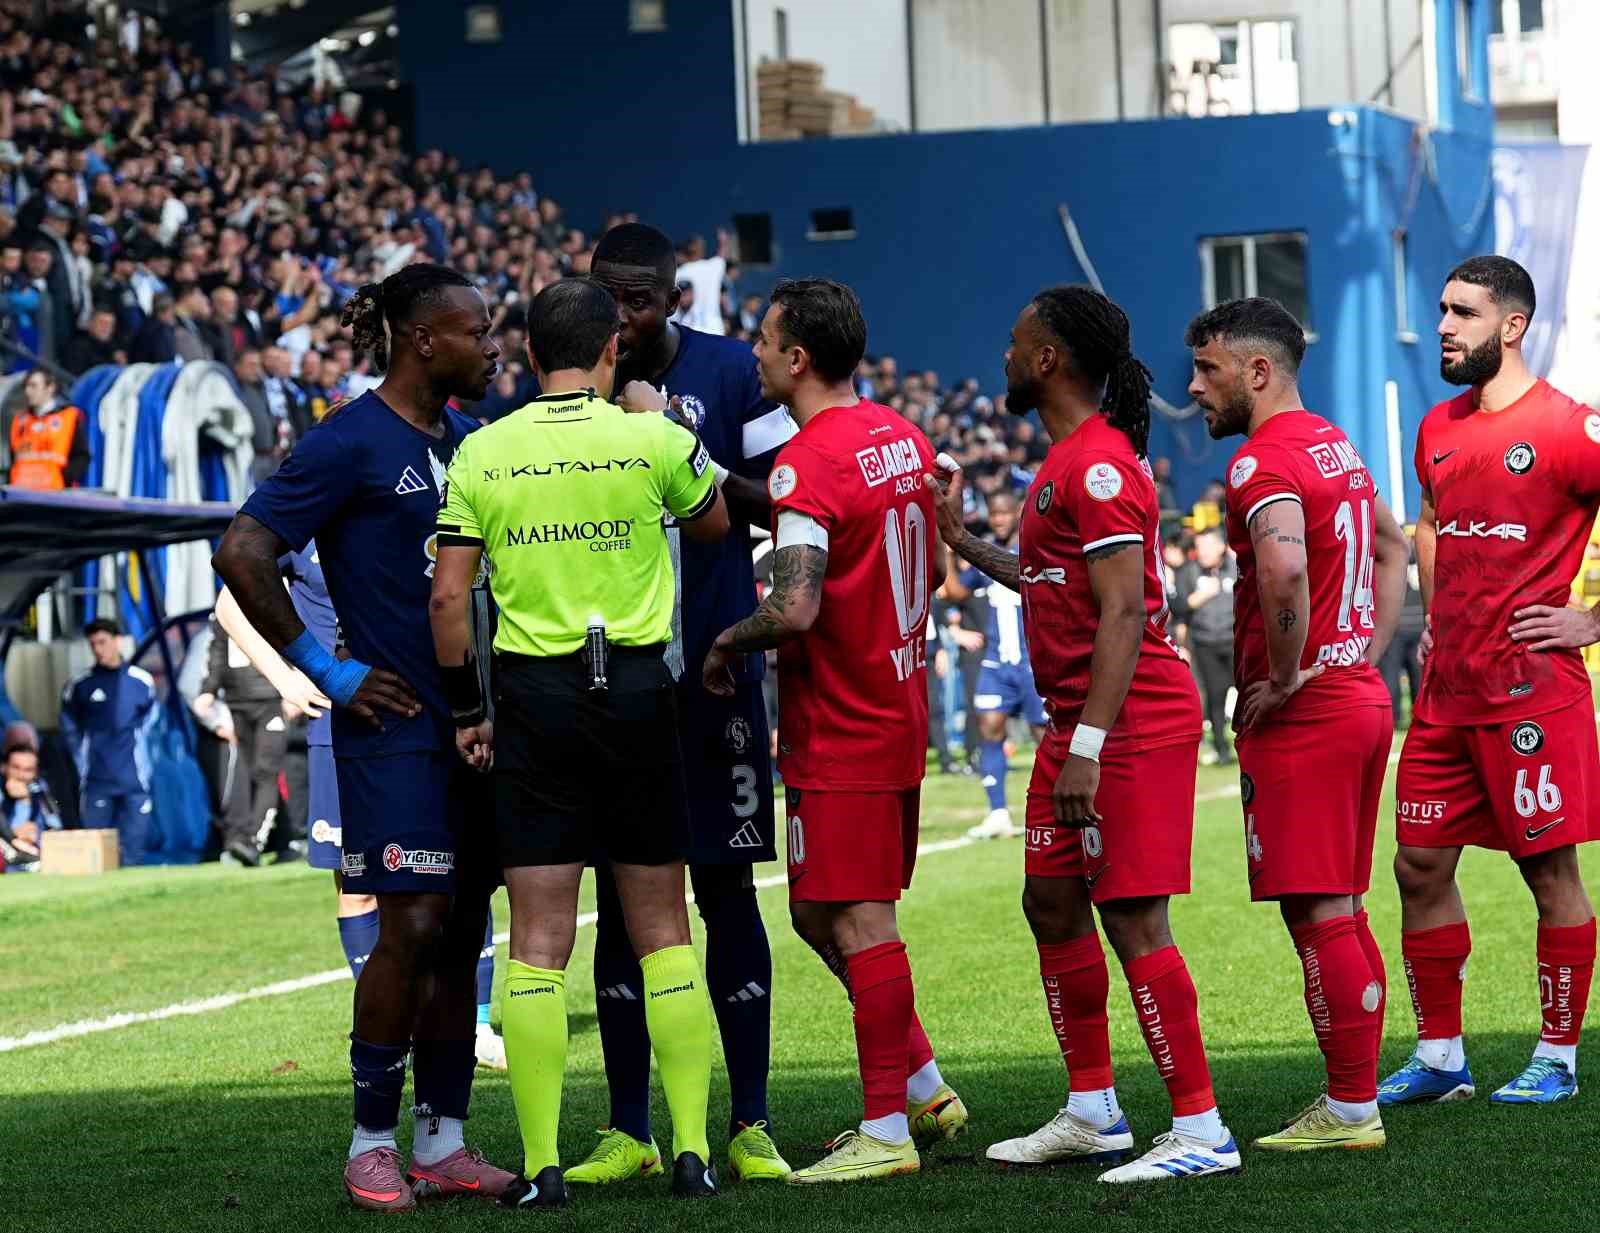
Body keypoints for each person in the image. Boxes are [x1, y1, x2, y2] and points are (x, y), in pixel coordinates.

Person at [212, 263, 516, 1210]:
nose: (493, 344)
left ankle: (444, 1140)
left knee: (465, 928)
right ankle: (370, 1143)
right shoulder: (347, 440)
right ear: (426, 338)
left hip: (475, 728)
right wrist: (329, 671)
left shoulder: (468, 442)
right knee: (413, 924)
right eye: (477, 329)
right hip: (391, 728)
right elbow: (244, 550)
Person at [430, 277, 731, 1208]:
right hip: (638, 687)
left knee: (539, 940)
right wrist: (651, 418)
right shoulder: (650, 435)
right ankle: (688, 1150)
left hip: (535, 696)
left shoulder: (484, 449)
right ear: (612, 351)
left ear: (526, 356)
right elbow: (717, 524)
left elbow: (448, 601)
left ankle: (542, 1166)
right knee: (665, 931)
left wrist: (466, 707)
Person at [932, 285, 1236, 1183]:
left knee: (1135, 916)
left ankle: (1201, 1129)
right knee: (1050, 901)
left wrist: (1091, 747)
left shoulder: (1099, 466)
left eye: (1016, 342)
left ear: (1050, 359)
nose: (1006, 355)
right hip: (1080, 721)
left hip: (1127, 719)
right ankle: (1095, 1109)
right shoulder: (1066, 462)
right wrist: (963, 539)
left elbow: (1122, 613)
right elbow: (1050, 581)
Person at [705, 277, 967, 1185]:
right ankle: (925, 1087)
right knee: (817, 909)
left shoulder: (804, 461)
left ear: (798, 356)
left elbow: (796, 605)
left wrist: (727, 640)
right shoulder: (902, 435)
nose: (755, 354)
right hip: (897, 705)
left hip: (844, 723)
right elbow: (933, 567)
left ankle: (886, 1128)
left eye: (765, 340)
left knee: (859, 921)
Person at [576, 221, 795, 1184]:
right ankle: (629, 1126)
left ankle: (748, 1121)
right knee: (619, 906)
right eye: (605, 296)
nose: (620, 318)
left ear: (674, 298)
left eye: (637, 298)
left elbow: (789, 499)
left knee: (727, 889)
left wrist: (670, 443)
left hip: (715, 673)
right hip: (610, 683)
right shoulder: (560, 389)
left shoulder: (732, 376)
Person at [1188, 296, 1408, 1149]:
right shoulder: (1336, 444)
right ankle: (1351, 1095)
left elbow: (1281, 570)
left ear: (1257, 370)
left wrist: (1283, 676)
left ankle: (1353, 1106)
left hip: (1307, 711)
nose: (1196, 389)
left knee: (1320, 910)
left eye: (1208, 370)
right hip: (1351, 694)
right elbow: (1392, 546)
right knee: (1339, 906)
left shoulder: (1262, 461)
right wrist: (1363, 651)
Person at [1381, 255, 1600, 1107]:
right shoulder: (1436, 426)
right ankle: (1441, 1058)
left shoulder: (1568, 429)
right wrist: (1439, 612)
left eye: (1462, 312)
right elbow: (1432, 521)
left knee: (1549, 873)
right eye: (1441, 308)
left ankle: (1557, 1056)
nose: (1443, 324)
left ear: (1511, 326)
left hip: (1531, 695)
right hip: (1446, 690)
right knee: (1418, 864)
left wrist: (1591, 619)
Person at [213, 559, 507, 1065]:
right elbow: (230, 600)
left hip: (427, 704)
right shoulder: (305, 513)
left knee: (455, 867)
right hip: (341, 719)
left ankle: (476, 1023)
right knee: (358, 882)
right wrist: (286, 678)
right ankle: (392, 1024)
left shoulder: (425, 495)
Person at [939, 489, 1045, 839]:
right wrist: (950, 551)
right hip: (997, 663)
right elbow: (954, 592)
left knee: (1044, 737)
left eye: (1003, 512)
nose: (998, 519)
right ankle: (998, 811)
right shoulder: (986, 554)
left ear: (1017, 512)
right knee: (989, 731)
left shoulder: (1036, 546)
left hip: (1033, 664)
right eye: (994, 514)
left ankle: (1054, 811)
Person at [59, 618, 158, 866]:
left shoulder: (141, 682)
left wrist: (145, 766)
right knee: (95, 860)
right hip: (96, 782)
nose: (98, 649)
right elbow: (69, 730)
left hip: (134, 782)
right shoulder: (79, 685)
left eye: (102, 642)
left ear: (118, 641)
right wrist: (83, 765)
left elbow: (152, 728)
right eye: (93, 644)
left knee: (133, 855)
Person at [197, 609, 291, 866]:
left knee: (266, 771)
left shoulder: (266, 597)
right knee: (248, 771)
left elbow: (290, 640)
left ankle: (253, 843)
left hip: (271, 699)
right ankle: (279, 839)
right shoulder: (222, 612)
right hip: (237, 702)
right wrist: (208, 690)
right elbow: (217, 652)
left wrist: (292, 686)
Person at [1172, 528, 1236, 764]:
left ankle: (1258, 742)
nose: (1203, 552)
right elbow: (1177, 608)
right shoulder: (1189, 571)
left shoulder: (1236, 565)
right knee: (1215, 697)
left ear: (1221, 546)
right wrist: (1196, 599)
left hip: (1236, 642)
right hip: (1206, 643)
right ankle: (1221, 749)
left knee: (1250, 695)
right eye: (1200, 547)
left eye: (1209, 546)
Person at [8, 367, 88, 489]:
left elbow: (82, 456)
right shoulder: (20, 421)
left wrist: (64, 477)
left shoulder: (68, 416)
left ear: (50, 388)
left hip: (54, 495)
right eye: (26, 386)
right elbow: (13, 457)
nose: (28, 391)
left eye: (33, 386)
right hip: (20, 493)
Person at [1, 742, 61, 872]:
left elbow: (55, 826)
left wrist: (26, 800)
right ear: (4, 768)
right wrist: (12, 836)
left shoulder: (39, 790)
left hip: (36, 855)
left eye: (28, 770)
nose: (21, 775)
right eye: (16, 767)